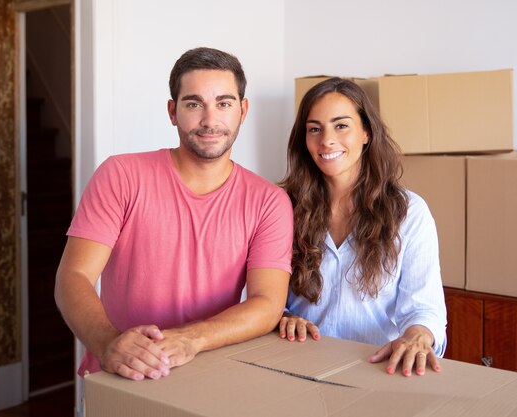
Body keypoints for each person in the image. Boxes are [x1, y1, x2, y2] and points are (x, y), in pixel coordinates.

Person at [55, 47, 293, 381]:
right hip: (117, 375)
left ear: (243, 110)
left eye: (224, 103)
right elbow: (73, 277)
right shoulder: (121, 175)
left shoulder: (269, 202)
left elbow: (266, 303)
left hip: (206, 374)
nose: (210, 120)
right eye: (194, 104)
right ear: (172, 111)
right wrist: (109, 344)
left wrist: (188, 340)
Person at [278, 77, 446, 377]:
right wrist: (284, 316)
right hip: (296, 365)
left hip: (377, 371)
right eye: (314, 128)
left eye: (341, 125)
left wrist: (418, 335)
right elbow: (258, 295)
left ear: (366, 132)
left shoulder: (409, 212)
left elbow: (425, 308)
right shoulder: (281, 207)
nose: (326, 140)